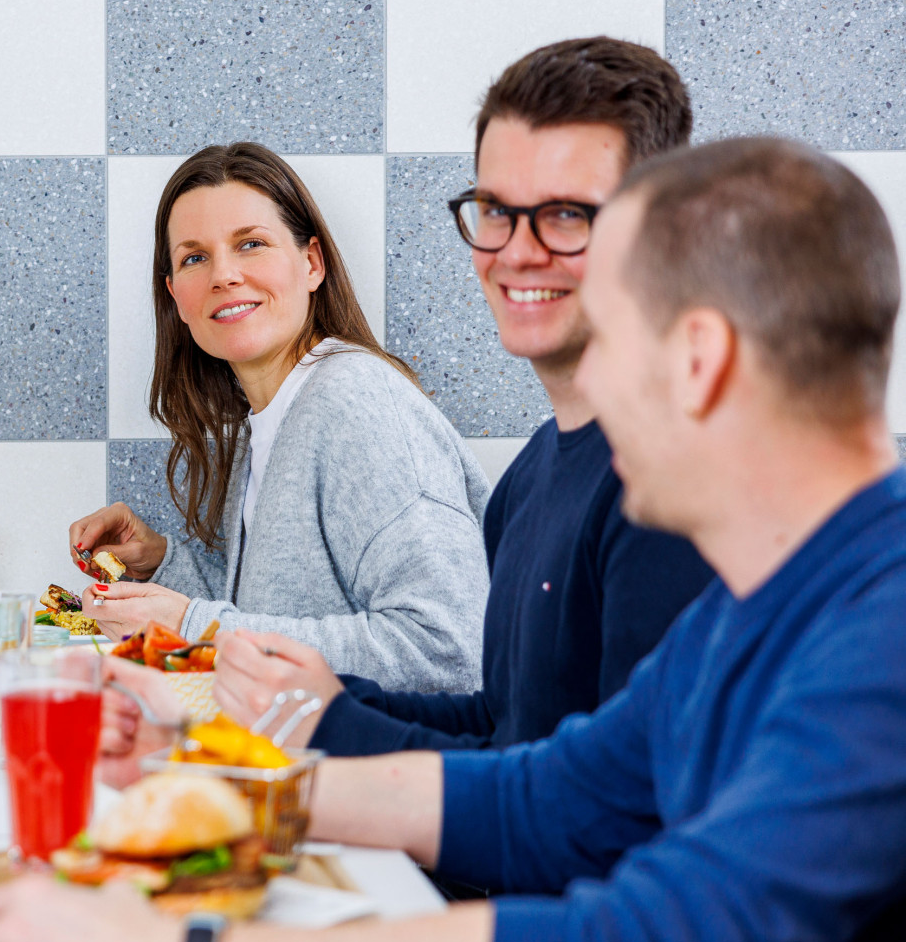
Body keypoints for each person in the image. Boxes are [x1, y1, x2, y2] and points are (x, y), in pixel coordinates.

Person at [0, 137, 906, 942]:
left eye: (605, 335)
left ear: (697, 361)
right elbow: (541, 798)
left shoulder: (882, 641)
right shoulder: (753, 608)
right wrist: (212, 787)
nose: (578, 392)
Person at [186, 38, 716, 759]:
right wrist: (293, 703)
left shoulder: (678, 489)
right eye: (496, 210)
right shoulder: (529, 480)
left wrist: (296, 729)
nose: (518, 251)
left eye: (566, 213)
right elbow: (500, 729)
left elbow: (610, 808)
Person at [70, 142, 488, 692]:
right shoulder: (269, 418)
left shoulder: (358, 404)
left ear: (311, 263)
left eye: (251, 244)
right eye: (195, 258)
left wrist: (189, 626)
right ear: (176, 296)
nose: (224, 275)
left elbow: (451, 652)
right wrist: (160, 564)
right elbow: (279, 605)